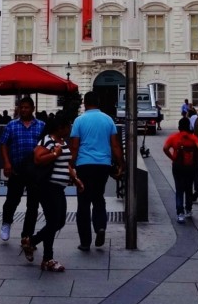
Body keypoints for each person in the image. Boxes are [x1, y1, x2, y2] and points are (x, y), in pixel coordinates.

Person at [22, 111, 83, 272]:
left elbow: (65, 164)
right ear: (60, 127)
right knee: (55, 222)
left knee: (57, 221)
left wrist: (75, 179)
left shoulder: (61, 141)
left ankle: (39, 249)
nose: (70, 129)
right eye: (68, 126)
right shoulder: (48, 140)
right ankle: (41, 251)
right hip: (48, 187)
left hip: (58, 187)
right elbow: (38, 158)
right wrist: (55, 153)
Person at [69, 91, 123, 251]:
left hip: (84, 165)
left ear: (85, 103)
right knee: (98, 198)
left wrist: (70, 165)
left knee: (83, 202)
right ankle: (100, 226)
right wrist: (121, 163)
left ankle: (85, 242)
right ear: (98, 103)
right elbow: (115, 145)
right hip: (103, 165)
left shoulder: (79, 120)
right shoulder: (108, 120)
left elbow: (74, 146)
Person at [0, 96, 45, 243]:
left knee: (32, 204)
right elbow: (3, 144)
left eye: (26, 107)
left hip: (35, 170)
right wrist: (6, 163)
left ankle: (27, 235)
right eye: (21, 107)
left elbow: (46, 145)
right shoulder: (11, 125)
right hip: (16, 169)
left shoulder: (41, 125)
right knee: (12, 200)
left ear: (32, 109)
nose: (24, 110)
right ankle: (6, 222)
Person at [163, 117, 198, 223]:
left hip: (178, 166)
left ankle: (180, 213)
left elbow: (165, 148)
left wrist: (172, 157)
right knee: (189, 188)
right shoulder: (194, 138)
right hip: (190, 166)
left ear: (179, 126)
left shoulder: (174, 137)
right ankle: (188, 209)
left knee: (179, 189)